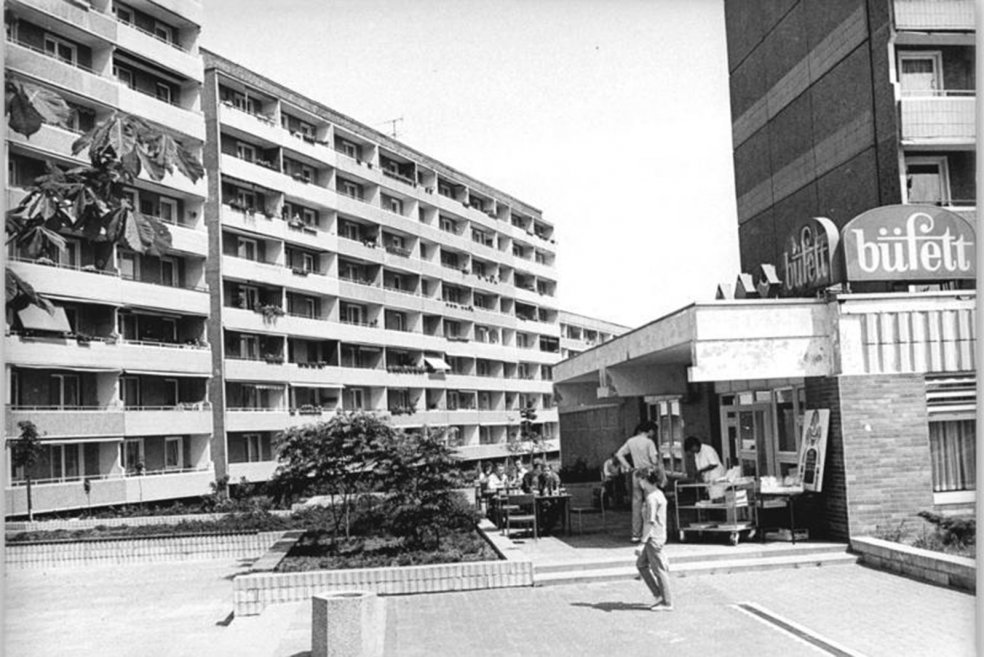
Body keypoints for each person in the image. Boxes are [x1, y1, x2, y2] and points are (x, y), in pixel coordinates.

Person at [636, 466, 673, 612]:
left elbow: (649, 522)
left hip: (653, 538)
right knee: (641, 564)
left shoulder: (652, 498)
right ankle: (658, 595)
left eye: (640, 480)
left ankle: (667, 601)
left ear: (645, 480)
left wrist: (642, 542)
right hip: (657, 535)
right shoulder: (658, 494)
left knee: (659, 570)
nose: (639, 483)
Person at [616, 420, 660, 542]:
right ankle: (651, 532)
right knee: (651, 502)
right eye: (654, 431)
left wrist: (628, 466)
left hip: (636, 473)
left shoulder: (631, 441)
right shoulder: (649, 442)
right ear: (650, 430)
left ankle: (636, 534)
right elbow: (654, 460)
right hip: (648, 473)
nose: (654, 434)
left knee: (636, 504)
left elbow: (619, 454)